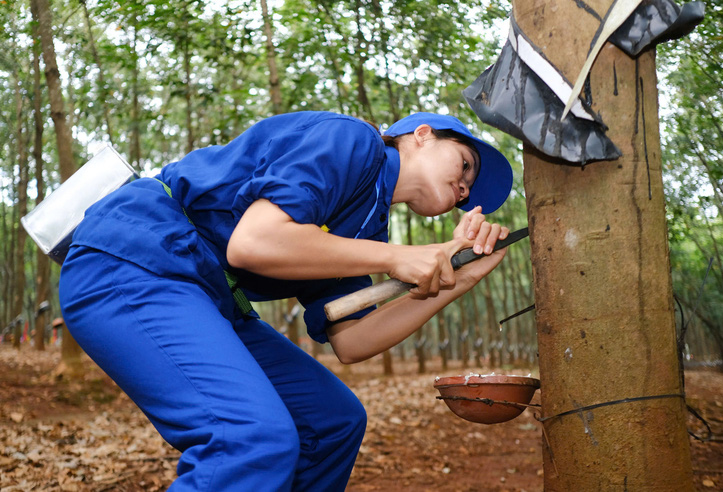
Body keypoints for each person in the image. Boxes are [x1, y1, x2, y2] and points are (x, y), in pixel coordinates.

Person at [59, 111, 513, 491]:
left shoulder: (366, 228)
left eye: (469, 194)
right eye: (467, 165)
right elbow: (252, 243)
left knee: (333, 422)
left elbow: (353, 339)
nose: (466, 190)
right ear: (421, 135)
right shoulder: (355, 140)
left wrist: (461, 279)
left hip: (210, 295)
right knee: (251, 437)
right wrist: (398, 258)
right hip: (137, 257)